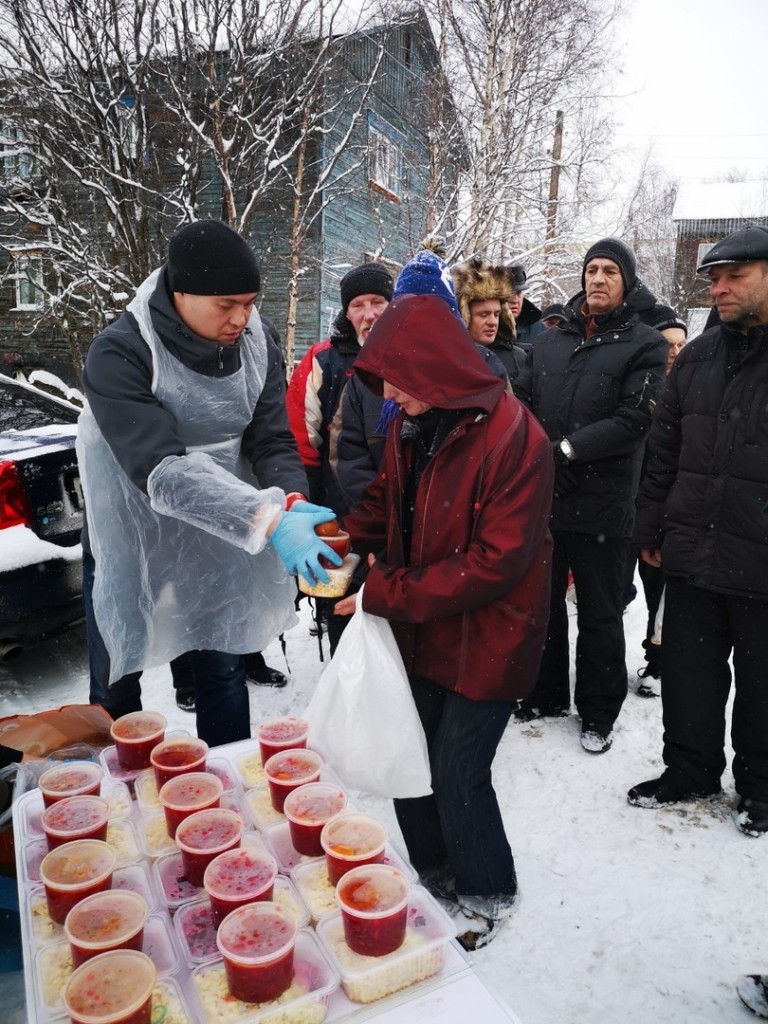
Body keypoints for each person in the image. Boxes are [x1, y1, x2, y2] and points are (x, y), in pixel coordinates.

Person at [334, 293, 554, 950]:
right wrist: (341, 536)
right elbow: (385, 497)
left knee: (458, 766)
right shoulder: (412, 423)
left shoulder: (518, 437)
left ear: (435, 367)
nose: (392, 396)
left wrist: (384, 592)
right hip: (424, 627)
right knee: (411, 752)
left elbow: (496, 562)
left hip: (492, 635)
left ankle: (487, 891)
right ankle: (434, 874)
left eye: (399, 381)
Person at [77, 220, 341, 747]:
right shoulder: (120, 351)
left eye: (249, 302)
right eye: (227, 305)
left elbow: (269, 439)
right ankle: (115, 791)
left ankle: (229, 781)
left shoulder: (256, 340)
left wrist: (291, 499)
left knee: (222, 657)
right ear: (181, 294)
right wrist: (267, 520)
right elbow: (162, 471)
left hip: (223, 522)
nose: (241, 319)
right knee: (117, 673)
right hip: (130, 525)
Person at [627, 225, 768, 837]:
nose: (720, 288)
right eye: (714, 278)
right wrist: (650, 524)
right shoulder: (699, 357)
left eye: (734, 276)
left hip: (761, 560)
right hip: (692, 549)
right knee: (689, 674)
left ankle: (762, 789)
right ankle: (690, 771)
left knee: (764, 685)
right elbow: (664, 449)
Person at [512, 237, 666, 753]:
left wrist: (570, 449)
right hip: (548, 500)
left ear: (626, 282)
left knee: (600, 613)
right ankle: (546, 694)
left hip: (605, 504)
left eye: (610, 272)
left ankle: (598, 712)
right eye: (592, 269)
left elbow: (635, 418)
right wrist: (545, 452)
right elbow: (524, 403)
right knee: (544, 605)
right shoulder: (552, 341)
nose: (598, 279)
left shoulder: (643, 344)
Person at [286, 261, 393, 652]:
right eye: (359, 305)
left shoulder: (411, 357)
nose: (369, 314)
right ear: (346, 312)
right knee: (343, 610)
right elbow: (300, 440)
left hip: (400, 513)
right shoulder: (322, 361)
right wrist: (309, 508)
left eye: (378, 302)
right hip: (339, 512)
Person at [628, 307, 687, 696]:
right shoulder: (639, 384)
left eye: (681, 345)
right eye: (668, 344)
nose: (675, 352)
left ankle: (659, 659)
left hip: (664, 504)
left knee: (661, 592)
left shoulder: (690, 389)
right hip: (628, 500)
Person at [451, 257, 527, 380]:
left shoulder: (518, 359)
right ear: (464, 315)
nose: (492, 322)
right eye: (483, 315)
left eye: (496, 314)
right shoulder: (448, 358)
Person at [502, 264, 547, 348]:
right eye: (509, 294)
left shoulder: (540, 332)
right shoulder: (487, 330)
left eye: (518, 293)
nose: (515, 300)